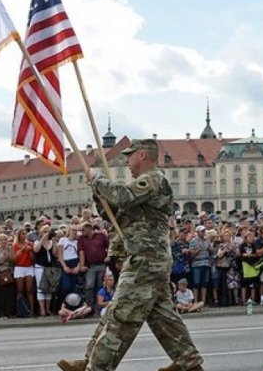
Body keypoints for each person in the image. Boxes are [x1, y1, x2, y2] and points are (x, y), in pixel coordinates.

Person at [57, 139, 204, 371]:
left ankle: (96, 366)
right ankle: (189, 364)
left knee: (121, 318)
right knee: (163, 318)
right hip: (146, 259)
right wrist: (98, 193)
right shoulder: (141, 186)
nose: (126, 160)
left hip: (146, 260)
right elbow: (113, 212)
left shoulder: (154, 179)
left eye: (130, 155)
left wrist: (98, 179)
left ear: (143, 155)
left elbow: (123, 196)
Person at [78, 222, 109, 307]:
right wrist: (82, 265)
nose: (81, 231)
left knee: (100, 285)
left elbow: (109, 246)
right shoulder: (81, 238)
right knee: (89, 285)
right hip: (90, 266)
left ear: (89, 228)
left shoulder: (101, 236)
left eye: (83, 230)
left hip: (102, 264)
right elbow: (81, 252)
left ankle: (98, 305)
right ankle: (89, 305)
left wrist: (109, 256)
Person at [12, 227, 36, 317]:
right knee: (20, 290)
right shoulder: (15, 245)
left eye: (25, 234)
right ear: (19, 235)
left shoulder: (29, 244)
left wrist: (30, 251)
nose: (24, 235)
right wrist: (21, 251)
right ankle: (20, 310)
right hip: (19, 268)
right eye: (22, 234)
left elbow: (33, 259)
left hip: (29, 267)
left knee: (29, 290)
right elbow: (13, 260)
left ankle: (32, 310)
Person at [186, 225, 213, 305]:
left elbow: (212, 251)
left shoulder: (207, 240)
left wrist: (211, 249)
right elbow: (192, 254)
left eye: (204, 231)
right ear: (197, 232)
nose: (203, 232)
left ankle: (203, 301)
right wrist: (199, 249)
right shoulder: (193, 241)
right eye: (202, 231)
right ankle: (195, 301)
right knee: (196, 283)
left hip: (206, 263)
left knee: (204, 283)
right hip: (196, 264)